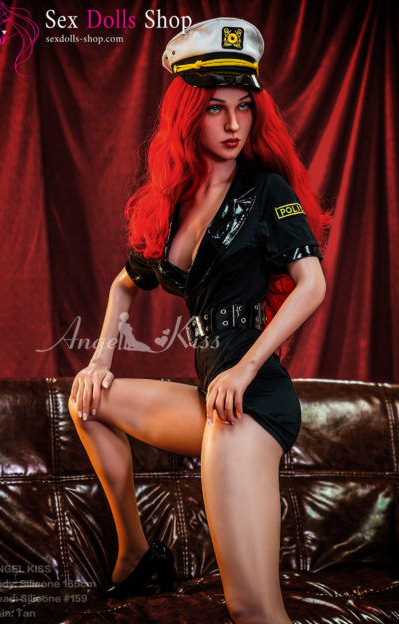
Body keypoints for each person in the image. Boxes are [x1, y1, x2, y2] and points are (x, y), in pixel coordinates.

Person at [68, 17, 329, 624]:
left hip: (250, 399)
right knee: (88, 402)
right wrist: (99, 360)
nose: (234, 124)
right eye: (216, 108)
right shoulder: (173, 206)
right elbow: (124, 285)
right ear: (189, 116)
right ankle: (137, 555)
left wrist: (244, 369)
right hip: (212, 397)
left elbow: (313, 285)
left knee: (251, 608)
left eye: (244, 107)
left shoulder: (267, 191)